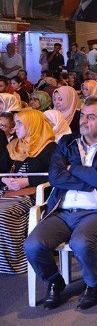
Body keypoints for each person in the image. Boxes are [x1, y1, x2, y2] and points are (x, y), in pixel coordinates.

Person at [23, 98, 97, 310]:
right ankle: (54, 280)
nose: (84, 120)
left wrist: (72, 168)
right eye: (83, 115)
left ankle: (92, 284)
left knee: (81, 242)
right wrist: (93, 178)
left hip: (94, 212)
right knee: (32, 245)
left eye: (91, 117)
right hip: (61, 210)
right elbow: (55, 177)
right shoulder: (66, 143)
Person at [0, 110, 56, 274]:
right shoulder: (14, 146)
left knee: (3, 214)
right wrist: (5, 179)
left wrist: (27, 181)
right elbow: (3, 169)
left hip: (33, 195)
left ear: (33, 124)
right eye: (15, 123)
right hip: (8, 192)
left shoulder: (49, 148)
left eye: (19, 123)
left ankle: (15, 261)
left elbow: (56, 175)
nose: (14, 128)